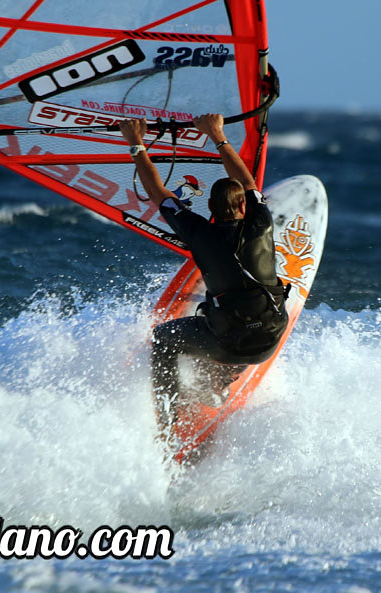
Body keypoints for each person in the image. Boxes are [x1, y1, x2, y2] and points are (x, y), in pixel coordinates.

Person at [119, 114, 289, 437]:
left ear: (209, 208)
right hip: (269, 339)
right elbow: (249, 183)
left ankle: (169, 423)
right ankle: (221, 381)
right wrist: (217, 135)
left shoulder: (198, 233)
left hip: (226, 343)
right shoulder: (261, 224)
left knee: (164, 340)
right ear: (244, 208)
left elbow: (157, 192)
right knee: (251, 311)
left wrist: (136, 142)